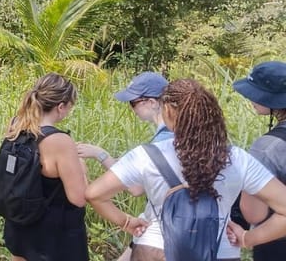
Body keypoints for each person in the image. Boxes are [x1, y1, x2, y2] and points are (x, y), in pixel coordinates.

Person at [86, 79, 286, 260]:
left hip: (155, 249)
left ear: (169, 112)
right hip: (220, 251)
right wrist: (248, 238)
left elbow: (94, 194)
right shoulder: (238, 158)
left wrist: (127, 222)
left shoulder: (145, 155)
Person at [77, 72, 170, 260]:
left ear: (152, 102)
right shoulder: (182, 134)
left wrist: (100, 154)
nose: (132, 108)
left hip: (160, 234)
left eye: (134, 102)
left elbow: (136, 188)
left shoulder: (163, 142)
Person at [0, 73, 88, 261]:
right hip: (53, 237)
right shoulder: (59, 141)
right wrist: (82, 166)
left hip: (19, 225)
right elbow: (78, 198)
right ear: (60, 107)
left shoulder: (16, 126)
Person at [234, 61, 286, 260]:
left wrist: (247, 238)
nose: (250, 99)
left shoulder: (266, 148)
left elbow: (253, 214)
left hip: (276, 247)